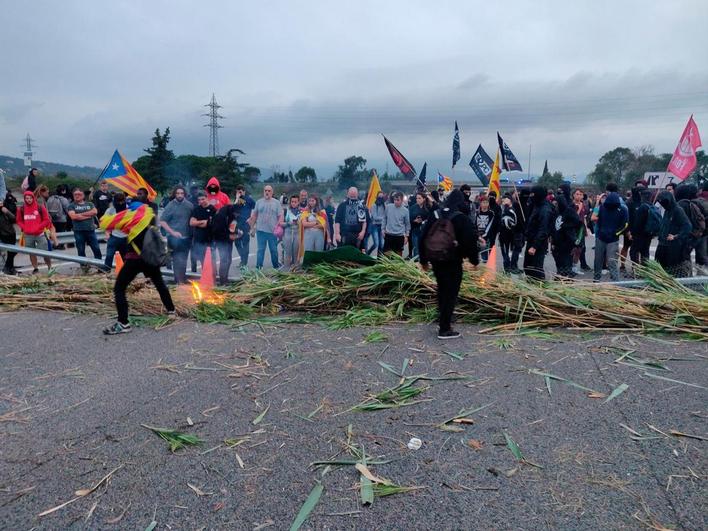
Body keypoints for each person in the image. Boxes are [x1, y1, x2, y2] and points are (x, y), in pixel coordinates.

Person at [102, 204, 175, 334]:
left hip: (134, 260)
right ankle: (171, 311)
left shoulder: (132, 221)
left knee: (119, 288)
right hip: (150, 259)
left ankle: (123, 323)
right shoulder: (149, 219)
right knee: (159, 284)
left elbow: (106, 222)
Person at [419, 189, 479, 340]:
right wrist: (474, 260)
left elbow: (423, 236)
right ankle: (445, 328)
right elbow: (470, 241)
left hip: (436, 259)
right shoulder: (461, 218)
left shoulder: (435, 214)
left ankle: (443, 318)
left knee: (442, 289)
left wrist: (423, 260)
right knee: (451, 293)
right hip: (452, 260)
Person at [591, 190, 628, 281]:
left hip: (613, 239)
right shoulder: (603, 207)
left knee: (612, 261)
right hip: (601, 238)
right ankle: (596, 279)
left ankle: (615, 281)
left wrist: (616, 233)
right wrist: (599, 231)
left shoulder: (622, 209)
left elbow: (625, 225)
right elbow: (597, 220)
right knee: (598, 260)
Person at [159, 186, 193, 283]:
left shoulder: (189, 205)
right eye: (178, 193)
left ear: (184, 194)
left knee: (184, 259)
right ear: (175, 194)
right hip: (173, 238)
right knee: (177, 260)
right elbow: (162, 221)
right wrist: (172, 232)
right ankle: (178, 280)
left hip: (186, 237)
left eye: (181, 193)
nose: (179, 195)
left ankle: (182, 279)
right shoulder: (170, 206)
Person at [655, 190, 692, 277]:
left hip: (673, 247)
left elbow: (688, 226)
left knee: (672, 270)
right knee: (660, 267)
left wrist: (676, 236)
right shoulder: (667, 210)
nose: (663, 205)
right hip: (663, 244)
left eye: (664, 202)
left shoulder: (678, 210)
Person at [16, 190, 53, 273]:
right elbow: (18, 220)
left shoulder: (40, 207)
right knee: (31, 252)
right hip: (28, 234)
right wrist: (24, 228)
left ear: (33, 198)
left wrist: (38, 227)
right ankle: (35, 268)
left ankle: (50, 267)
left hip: (40, 234)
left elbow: (46, 220)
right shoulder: (21, 209)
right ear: (24, 199)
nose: (28, 200)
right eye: (26, 198)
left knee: (45, 252)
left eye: (30, 198)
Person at [248, 185, 283, 270]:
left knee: (274, 250)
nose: (267, 192)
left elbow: (280, 216)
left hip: (272, 232)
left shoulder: (276, 203)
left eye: (269, 191)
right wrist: (252, 228)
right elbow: (254, 216)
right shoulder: (259, 202)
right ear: (263, 192)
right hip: (261, 231)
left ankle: (276, 267)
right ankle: (258, 267)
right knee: (260, 250)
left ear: (272, 192)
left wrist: (279, 228)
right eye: (265, 190)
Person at [523, 185, 553, 280]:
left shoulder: (545, 209)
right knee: (528, 267)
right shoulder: (536, 205)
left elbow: (543, 230)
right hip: (531, 240)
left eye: (533, 194)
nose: (531, 196)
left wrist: (534, 246)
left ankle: (539, 289)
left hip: (538, 244)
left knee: (536, 270)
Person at [552, 186, 582, 278]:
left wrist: (576, 240)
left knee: (566, 262)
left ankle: (566, 278)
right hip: (557, 240)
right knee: (558, 260)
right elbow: (554, 223)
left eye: (561, 193)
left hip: (567, 241)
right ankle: (560, 275)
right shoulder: (556, 208)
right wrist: (552, 239)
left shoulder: (570, 208)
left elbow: (579, 224)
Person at [212, 192, 240, 285]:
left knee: (229, 259)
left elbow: (233, 224)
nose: (237, 215)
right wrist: (228, 236)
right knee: (224, 259)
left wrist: (236, 232)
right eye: (236, 214)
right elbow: (216, 231)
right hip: (220, 239)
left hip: (228, 239)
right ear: (232, 210)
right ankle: (222, 281)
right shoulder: (221, 215)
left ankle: (225, 279)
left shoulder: (233, 213)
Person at [67, 188, 102, 262]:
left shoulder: (90, 204)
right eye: (75, 194)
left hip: (90, 230)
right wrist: (89, 215)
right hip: (78, 231)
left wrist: (80, 215)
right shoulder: (71, 206)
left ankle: (100, 265)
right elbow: (73, 217)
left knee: (96, 248)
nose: (77, 196)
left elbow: (95, 212)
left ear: (83, 195)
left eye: (79, 194)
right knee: (81, 250)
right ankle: (84, 267)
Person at [630, 188, 659, 267]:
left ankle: (637, 270)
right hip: (649, 233)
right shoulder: (652, 206)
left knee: (633, 252)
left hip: (640, 234)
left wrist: (632, 233)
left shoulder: (642, 207)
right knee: (645, 252)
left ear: (641, 196)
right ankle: (645, 269)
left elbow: (638, 223)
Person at [189, 192, 216, 271]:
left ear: (207, 198)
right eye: (199, 200)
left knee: (210, 260)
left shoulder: (213, 209)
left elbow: (212, 224)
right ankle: (193, 276)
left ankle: (212, 276)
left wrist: (198, 222)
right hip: (198, 238)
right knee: (195, 258)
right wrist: (203, 222)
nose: (201, 201)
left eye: (203, 199)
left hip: (209, 239)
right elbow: (191, 223)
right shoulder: (196, 209)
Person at [298, 195, 330, 260]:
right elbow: (304, 224)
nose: (311, 202)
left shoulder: (322, 212)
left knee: (318, 252)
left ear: (316, 201)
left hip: (319, 234)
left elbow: (324, 225)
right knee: (308, 252)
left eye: (313, 201)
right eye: (310, 201)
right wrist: (316, 223)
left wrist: (311, 224)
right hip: (308, 234)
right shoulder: (305, 212)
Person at [103, 192, 129, 269]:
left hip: (126, 237)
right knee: (109, 256)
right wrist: (107, 234)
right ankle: (106, 272)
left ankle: (125, 273)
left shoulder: (129, 209)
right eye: (118, 201)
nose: (120, 203)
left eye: (122, 201)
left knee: (125, 257)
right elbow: (105, 223)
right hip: (114, 236)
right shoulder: (110, 210)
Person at [382, 191, 410, 256]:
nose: (396, 201)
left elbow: (407, 224)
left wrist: (406, 236)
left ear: (402, 200)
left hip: (399, 236)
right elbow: (384, 218)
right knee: (387, 255)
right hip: (389, 235)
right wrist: (383, 229)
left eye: (398, 200)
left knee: (398, 255)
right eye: (394, 200)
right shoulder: (388, 207)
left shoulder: (405, 211)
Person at [234, 184, 255, 269]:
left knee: (245, 242)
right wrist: (237, 198)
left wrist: (252, 221)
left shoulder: (248, 199)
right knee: (237, 242)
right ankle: (243, 259)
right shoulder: (238, 200)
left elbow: (255, 209)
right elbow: (233, 209)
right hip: (238, 224)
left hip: (246, 224)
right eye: (238, 191)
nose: (240, 192)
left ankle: (244, 262)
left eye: (241, 191)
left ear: (244, 191)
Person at [572, 189, 591, 273]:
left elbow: (583, 218)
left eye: (580, 194)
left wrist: (586, 229)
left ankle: (575, 266)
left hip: (581, 230)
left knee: (580, 249)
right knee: (573, 248)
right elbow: (572, 217)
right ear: (573, 195)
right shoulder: (571, 205)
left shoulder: (583, 204)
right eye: (577, 194)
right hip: (573, 230)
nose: (579, 196)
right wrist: (578, 209)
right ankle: (570, 266)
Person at [498, 195, 518, 273]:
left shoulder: (512, 210)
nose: (504, 202)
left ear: (510, 200)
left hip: (511, 234)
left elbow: (515, 222)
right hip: (503, 235)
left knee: (510, 250)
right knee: (505, 251)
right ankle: (507, 266)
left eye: (506, 200)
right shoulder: (502, 210)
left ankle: (510, 266)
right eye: (503, 200)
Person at [281, 195, 301, 269]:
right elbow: (280, 223)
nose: (293, 203)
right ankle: (286, 270)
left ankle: (295, 270)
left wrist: (299, 223)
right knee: (288, 253)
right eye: (292, 202)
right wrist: (288, 223)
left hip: (297, 233)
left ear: (298, 202)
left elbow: (305, 223)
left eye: (295, 202)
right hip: (288, 233)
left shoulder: (302, 211)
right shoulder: (286, 210)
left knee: (296, 253)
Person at [0, 193, 18, 275]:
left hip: (10, 234)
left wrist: (6, 211)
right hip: (2, 235)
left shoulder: (4, 209)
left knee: (12, 252)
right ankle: (8, 267)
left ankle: (9, 267)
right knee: (9, 252)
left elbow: (14, 219)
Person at [408, 192, 429, 259]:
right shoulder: (413, 208)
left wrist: (424, 221)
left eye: (419, 198)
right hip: (415, 230)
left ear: (424, 199)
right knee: (416, 249)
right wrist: (414, 220)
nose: (417, 200)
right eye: (417, 198)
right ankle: (416, 265)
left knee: (424, 249)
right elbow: (408, 218)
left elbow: (431, 218)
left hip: (425, 231)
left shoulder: (428, 208)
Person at [476, 196, 496, 263]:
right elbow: (474, 224)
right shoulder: (477, 212)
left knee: (484, 255)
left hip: (486, 236)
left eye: (487, 202)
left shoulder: (491, 213)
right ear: (480, 203)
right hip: (477, 236)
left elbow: (490, 226)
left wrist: (484, 236)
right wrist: (477, 235)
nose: (485, 204)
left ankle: (485, 270)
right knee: (476, 255)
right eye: (483, 202)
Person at [367, 192, 386, 256]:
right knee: (376, 244)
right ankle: (368, 253)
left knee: (382, 244)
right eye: (379, 196)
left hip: (382, 226)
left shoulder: (384, 206)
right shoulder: (374, 205)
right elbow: (375, 217)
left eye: (382, 196)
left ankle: (379, 257)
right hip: (374, 226)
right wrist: (383, 218)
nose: (380, 198)